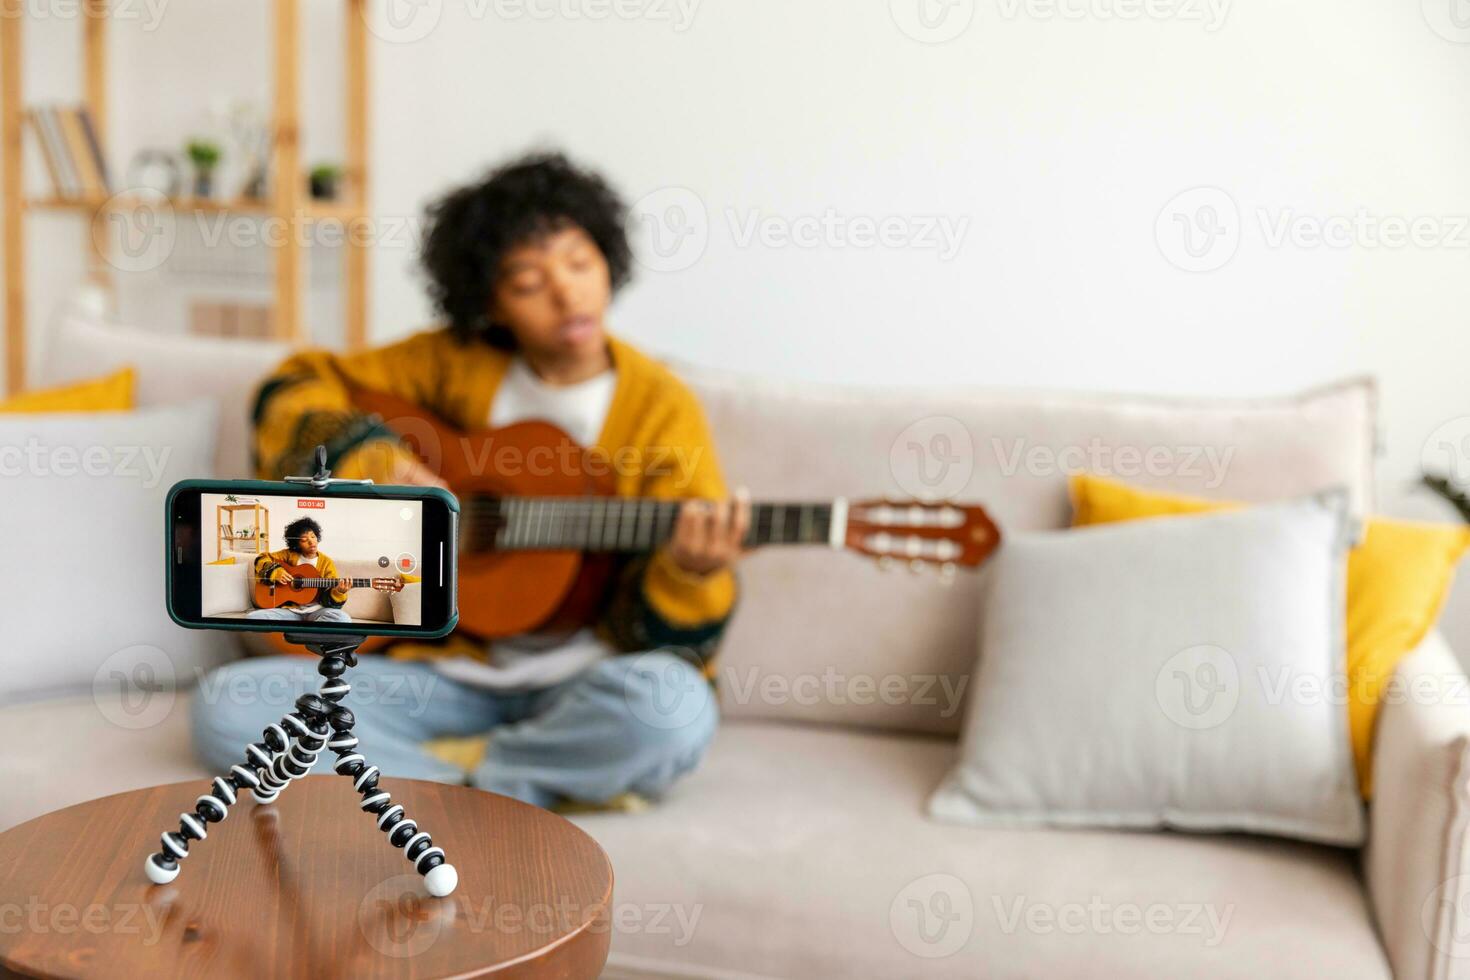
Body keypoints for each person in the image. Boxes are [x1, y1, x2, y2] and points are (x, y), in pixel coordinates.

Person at [193, 152, 748, 810]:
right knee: (228, 705)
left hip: (581, 680)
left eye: (579, 263)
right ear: (489, 299)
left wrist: (690, 572)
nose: (567, 295)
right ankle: (506, 794)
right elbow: (290, 388)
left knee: (673, 712)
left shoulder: (661, 406)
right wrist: (372, 458)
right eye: (527, 282)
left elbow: (669, 640)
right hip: (431, 676)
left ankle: (447, 791)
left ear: (609, 260)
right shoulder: (448, 363)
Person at [245, 517, 354, 624]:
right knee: (252, 617)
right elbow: (261, 558)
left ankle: (300, 632)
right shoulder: (288, 555)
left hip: (317, 611)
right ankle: (309, 631)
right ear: (297, 543)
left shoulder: (326, 562)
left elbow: (329, 599)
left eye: (313, 536)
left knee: (343, 619)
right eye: (304, 540)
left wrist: (339, 592)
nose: (311, 542)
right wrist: (276, 572)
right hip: (289, 611)